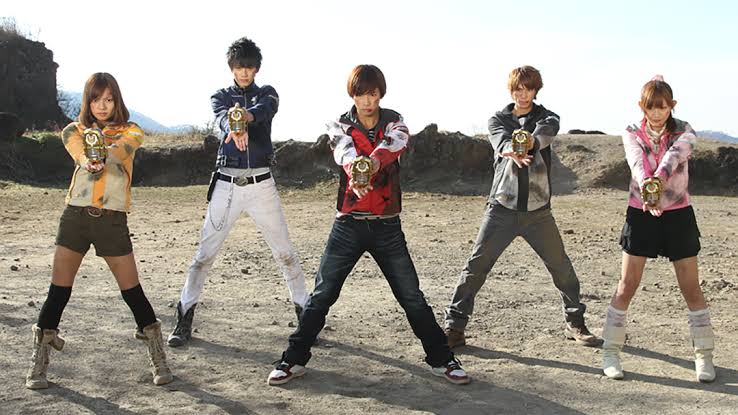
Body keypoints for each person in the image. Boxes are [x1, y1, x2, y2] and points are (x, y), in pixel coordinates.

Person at [267, 64, 470, 386]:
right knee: (322, 295)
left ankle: (442, 360)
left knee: (412, 296)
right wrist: (355, 171)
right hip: (348, 224)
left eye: (372, 94)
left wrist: (370, 165)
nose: (367, 100)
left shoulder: (395, 122)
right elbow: (344, 152)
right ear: (353, 95)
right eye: (360, 94)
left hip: (387, 225)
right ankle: (292, 360)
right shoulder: (340, 125)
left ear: (380, 94)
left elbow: (395, 143)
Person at [25, 72, 172, 389]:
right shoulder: (73, 130)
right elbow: (78, 151)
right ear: (87, 102)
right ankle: (38, 365)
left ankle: (158, 356)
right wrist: (87, 159)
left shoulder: (132, 131)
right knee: (58, 292)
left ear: (117, 101)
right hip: (75, 218)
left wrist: (103, 155)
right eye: (96, 99)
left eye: (108, 99)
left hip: (112, 220)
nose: (102, 106)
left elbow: (121, 151)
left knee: (132, 292)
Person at [444, 65, 601, 349]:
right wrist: (511, 150)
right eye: (518, 88)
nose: (523, 94)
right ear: (511, 90)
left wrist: (530, 143)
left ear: (536, 90)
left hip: (538, 212)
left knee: (561, 268)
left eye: (528, 88)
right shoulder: (498, 119)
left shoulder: (548, 117)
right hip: (501, 208)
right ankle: (454, 327)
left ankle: (575, 323)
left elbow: (545, 133)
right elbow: (500, 140)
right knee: (476, 267)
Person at [167, 37, 309, 347]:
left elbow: (265, 109)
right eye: (239, 66)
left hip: (261, 184)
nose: (244, 72)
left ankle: (306, 322)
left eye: (249, 66)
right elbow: (221, 118)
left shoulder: (267, 93)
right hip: (226, 184)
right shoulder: (220, 96)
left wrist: (244, 117)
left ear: (256, 68)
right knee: (204, 256)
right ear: (231, 67)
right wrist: (233, 125)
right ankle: (183, 319)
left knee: (285, 253)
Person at [601, 75, 715, 382]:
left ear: (671, 106)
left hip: (678, 214)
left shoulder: (685, 131)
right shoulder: (631, 132)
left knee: (691, 287)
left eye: (662, 107)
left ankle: (704, 355)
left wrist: (658, 183)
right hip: (640, 213)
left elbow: (673, 157)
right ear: (642, 106)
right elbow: (636, 161)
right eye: (650, 106)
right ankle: (610, 351)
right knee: (627, 285)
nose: (656, 113)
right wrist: (647, 189)